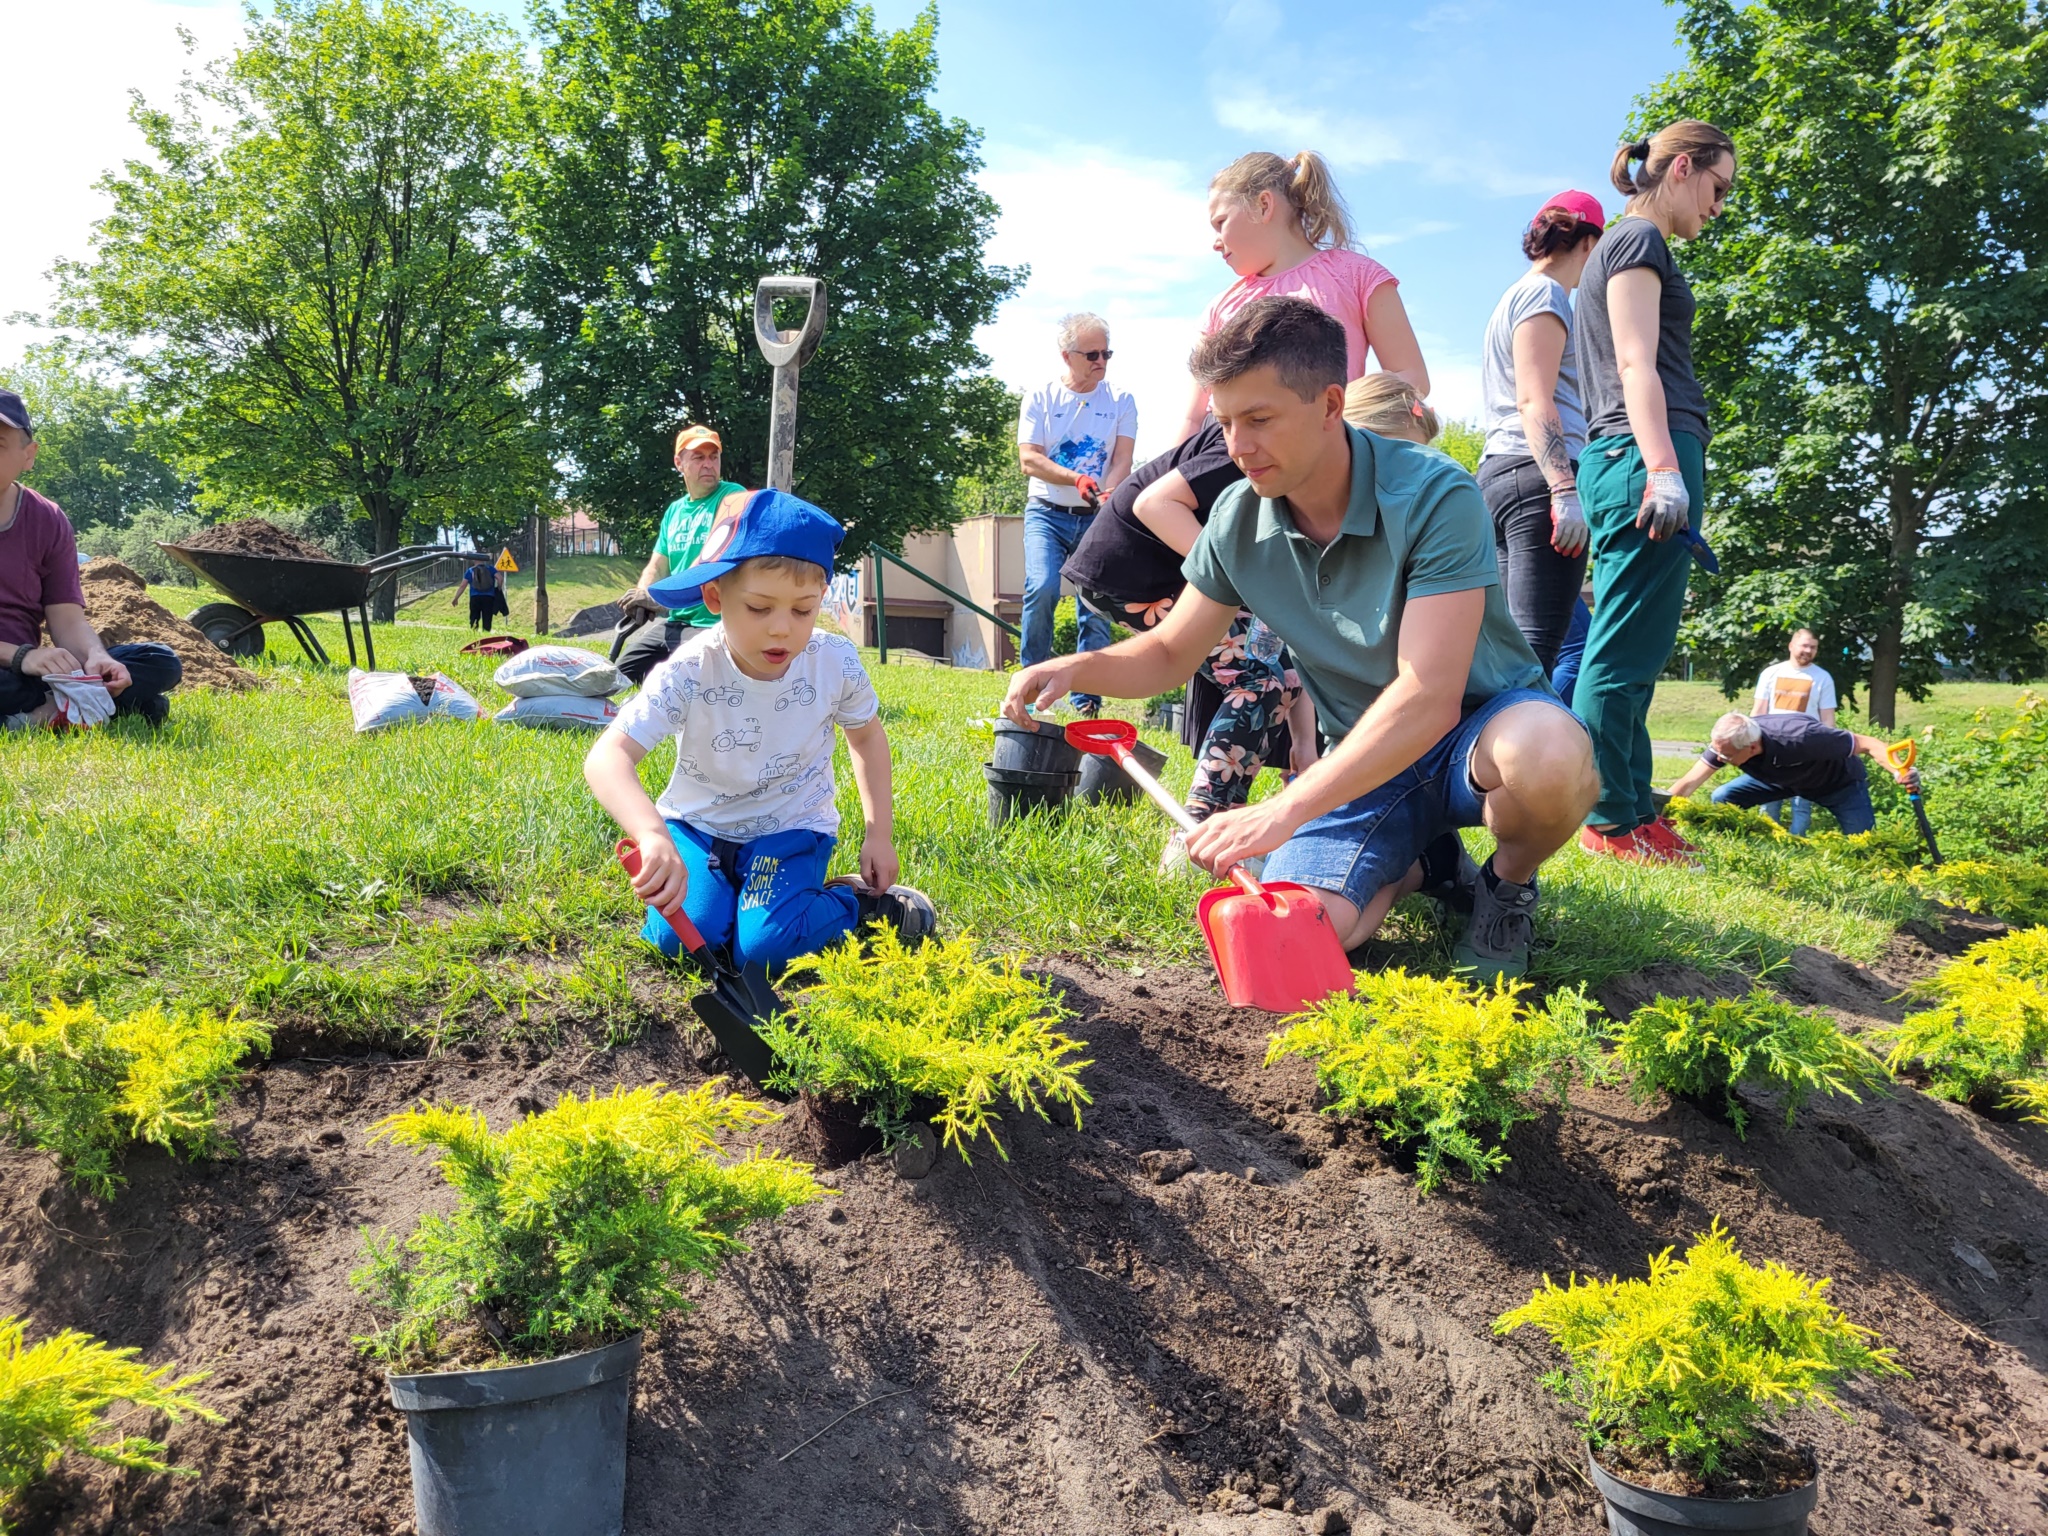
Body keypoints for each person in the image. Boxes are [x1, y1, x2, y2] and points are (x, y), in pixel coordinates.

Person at [1006, 298, 1598, 982]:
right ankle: (1421, 864)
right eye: (1225, 422)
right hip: (1370, 761)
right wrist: (1077, 668)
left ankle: (1507, 886)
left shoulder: (1436, 494)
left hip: (1484, 728)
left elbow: (1430, 697)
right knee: (1298, 931)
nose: (1237, 446)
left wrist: (1283, 809)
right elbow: (1171, 652)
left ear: (1330, 404)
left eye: (1259, 419)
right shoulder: (1236, 518)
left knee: (1549, 757)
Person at [585, 489, 933, 971]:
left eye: (802, 610)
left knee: (764, 950)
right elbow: (608, 758)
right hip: (697, 828)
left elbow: (867, 737)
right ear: (714, 596)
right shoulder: (690, 669)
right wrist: (651, 834)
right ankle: (740, 906)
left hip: (790, 829)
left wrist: (879, 833)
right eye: (758, 608)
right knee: (681, 938)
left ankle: (860, 904)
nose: (781, 630)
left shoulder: (833, 662)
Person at [1570, 120, 1737, 865]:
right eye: (1717, 188)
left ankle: (1636, 808)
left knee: (1640, 652)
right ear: (1681, 170)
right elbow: (1638, 365)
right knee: (1617, 653)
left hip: (1643, 454)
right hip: (1642, 457)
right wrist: (1664, 469)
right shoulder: (1637, 242)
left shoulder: (1630, 246)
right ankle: (1604, 818)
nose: (1719, 207)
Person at [1060, 417, 1318, 866]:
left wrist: (1306, 751)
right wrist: (1240, 580)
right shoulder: (1253, 445)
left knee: (1272, 672)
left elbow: (1295, 644)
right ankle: (1197, 831)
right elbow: (1153, 504)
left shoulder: (1293, 465)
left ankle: (1222, 822)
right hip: (1132, 570)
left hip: (1161, 573)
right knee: (1259, 678)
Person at [1175, 151, 1429, 444]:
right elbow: (1193, 417)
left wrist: (1342, 418)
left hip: (1325, 445)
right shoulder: (1220, 307)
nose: (1215, 243)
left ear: (1263, 205)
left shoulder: (1357, 276)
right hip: (1228, 446)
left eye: (1220, 222)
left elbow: (1411, 375)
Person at [1477, 191, 1606, 672]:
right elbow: (1535, 398)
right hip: (1537, 480)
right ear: (1589, 245)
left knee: (1510, 656)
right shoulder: (1546, 294)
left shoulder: (1513, 296)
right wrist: (1564, 489)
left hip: (1501, 475)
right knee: (1535, 656)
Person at [0, 389, 182, 728]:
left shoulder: (47, 518)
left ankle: (55, 708)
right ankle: (74, 709)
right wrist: (23, 656)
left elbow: (66, 619)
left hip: (28, 671)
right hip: (20, 665)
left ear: (29, 456)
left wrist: (96, 657)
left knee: (160, 660)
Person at [1016, 313, 1137, 718]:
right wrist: (1078, 478)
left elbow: (1123, 459)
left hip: (1097, 515)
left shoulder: (1121, 400)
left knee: (1095, 603)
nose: (1101, 361)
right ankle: (1029, 683)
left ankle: (1086, 699)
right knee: (1043, 587)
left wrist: (1110, 492)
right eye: (1092, 354)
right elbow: (1029, 460)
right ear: (1066, 356)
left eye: (1107, 353)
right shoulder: (1041, 398)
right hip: (1046, 513)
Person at [616, 424, 748, 686]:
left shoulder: (733, 497)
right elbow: (657, 565)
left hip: (712, 625)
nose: (708, 464)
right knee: (617, 677)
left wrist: (660, 598)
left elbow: (713, 564)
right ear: (679, 462)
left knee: (684, 683)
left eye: (714, 457)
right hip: (674, 623)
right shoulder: (674, 511)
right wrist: (643, 595)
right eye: (699, 458)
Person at [1666, 710, 1913, 836]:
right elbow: (1689, 782)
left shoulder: (1801, 736)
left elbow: (1868, 743)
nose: (1720, 759)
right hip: (1782, 781)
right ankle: (1736, 843)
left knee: (1863, 839)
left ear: (1752, 747)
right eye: (1719, 753)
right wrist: (1657, 816)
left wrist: (1898, 771)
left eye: (1727, 756)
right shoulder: (1728, 744)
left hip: (1838, 785)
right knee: (1723, 797)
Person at [1750, 628, 1838, 834]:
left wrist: (1828, 750)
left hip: (1806, 750)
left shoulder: (1823, 678)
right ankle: (1767, 842)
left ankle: (1797, 846)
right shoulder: (1771, 674)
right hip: (1771, 747)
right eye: (1804, 645)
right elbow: (1758, 712)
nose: (1808, 650)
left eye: (1813, 647)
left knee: (1802, 805)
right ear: (1791, 646)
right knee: (1768, 802)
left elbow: (1827, 720)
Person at [450, 555, 510, 632]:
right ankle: (486, 634)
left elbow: (462, 586)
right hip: (489, 597)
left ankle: (474, 634)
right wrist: (498, 588)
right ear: (483, 560)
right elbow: (500, 578)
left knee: (474, 618)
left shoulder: (470, 570)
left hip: (475, 597)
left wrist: (456, 598)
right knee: (487, 618)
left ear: (474, 560)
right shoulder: (490, 569)